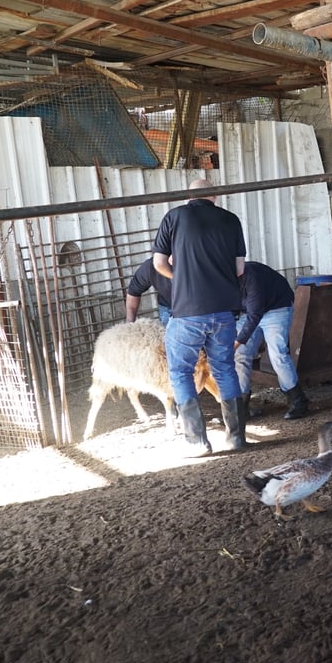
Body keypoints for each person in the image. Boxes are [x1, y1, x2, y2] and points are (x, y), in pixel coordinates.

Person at [153, 177, 248, 456]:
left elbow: (159, 263)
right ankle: (236, 438)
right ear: (215, 196)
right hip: (224, 313)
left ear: (188, 197)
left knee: (181, 371)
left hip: (187, 313)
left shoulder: (174, 217)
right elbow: (239, 269)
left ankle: (197, 442)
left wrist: (181, 278)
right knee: (225, 369)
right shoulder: (231, 220)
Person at [234, 260, 310, 421]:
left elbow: (255, 315)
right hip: (248, 312)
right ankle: (240, 406)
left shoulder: (251, 276)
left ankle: (298, 400)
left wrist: (236, 342)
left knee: (278, 354)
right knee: (240, 355)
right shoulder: (221, 280)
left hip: (277, 308)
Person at [124, 256, 173, 325]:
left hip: (192, 307)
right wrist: (129, 323)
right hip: (168, 307)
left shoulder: (191, 262)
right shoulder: (151, 266)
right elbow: (133, 291)